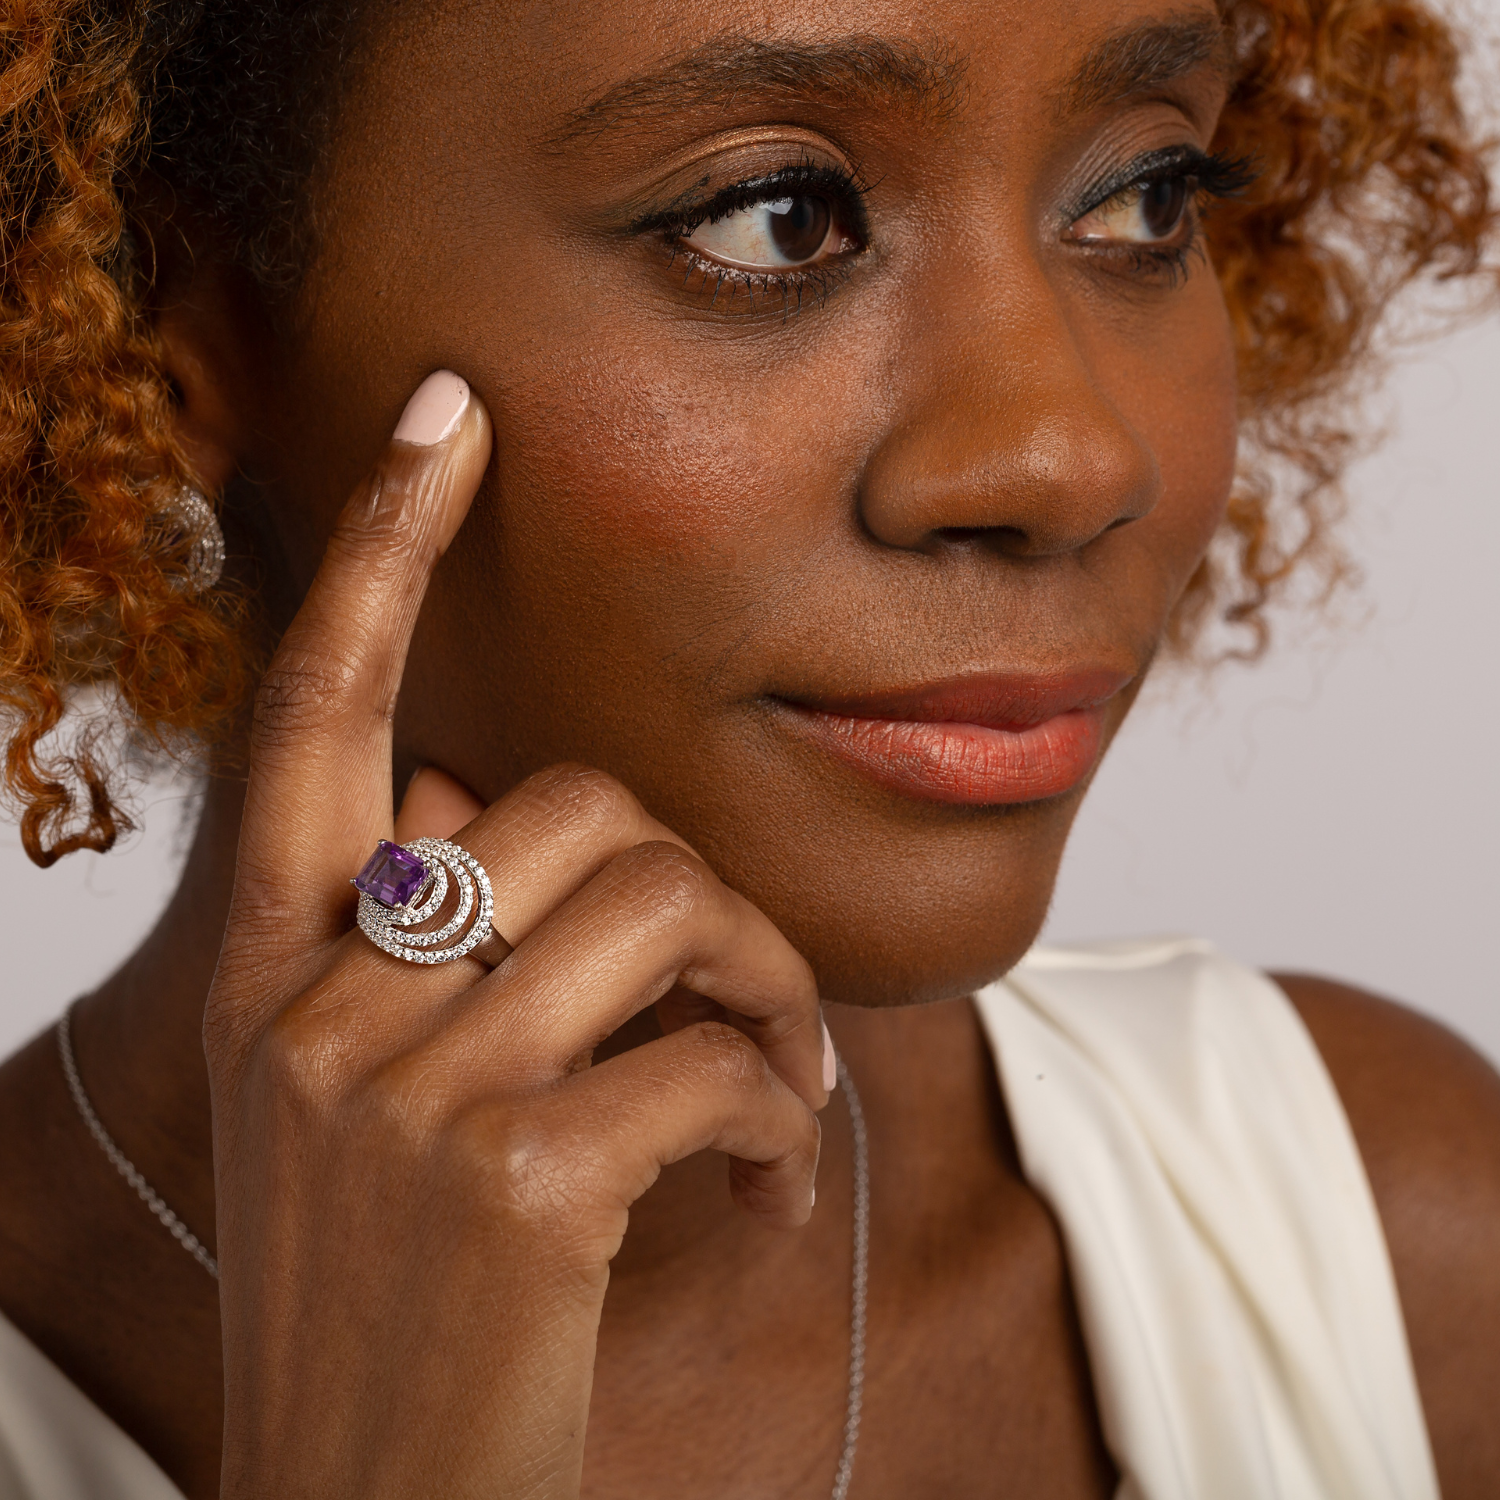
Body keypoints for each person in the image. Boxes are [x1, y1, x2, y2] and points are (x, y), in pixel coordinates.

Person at [0, 0, 1496, 1495]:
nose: (1071, 456)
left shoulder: (1382, 1250)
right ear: (165, 325)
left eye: (1145, 196)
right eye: (777, 219)